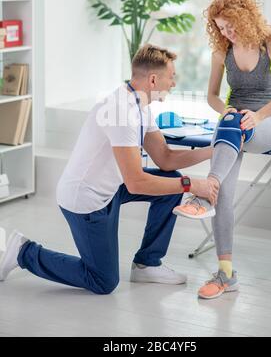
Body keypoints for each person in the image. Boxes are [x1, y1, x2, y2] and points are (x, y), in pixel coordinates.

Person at [0, 44, 219, 294]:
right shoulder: (120, 112)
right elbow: (136, 182)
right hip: (86, 200)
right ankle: (23, 252)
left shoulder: (139, 105)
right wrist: (192, 184)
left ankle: (147, 264)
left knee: (172, 182)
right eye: (172, 77)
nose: (173, 83)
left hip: (111, 188)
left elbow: (165, 159)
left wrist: (213, 150)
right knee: (103, 281)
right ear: (153, 79)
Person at [173, 0, 271, 299]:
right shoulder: (222, 52)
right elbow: (213, 96)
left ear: (244, 18)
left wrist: (258, 116)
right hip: (232, 125)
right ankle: (226, 275)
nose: (225, 32)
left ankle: (205, 191)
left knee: (230, 137)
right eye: (219, 27)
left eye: (229, 25)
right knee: (226, 195)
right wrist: (223, 110)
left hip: (266, 126)